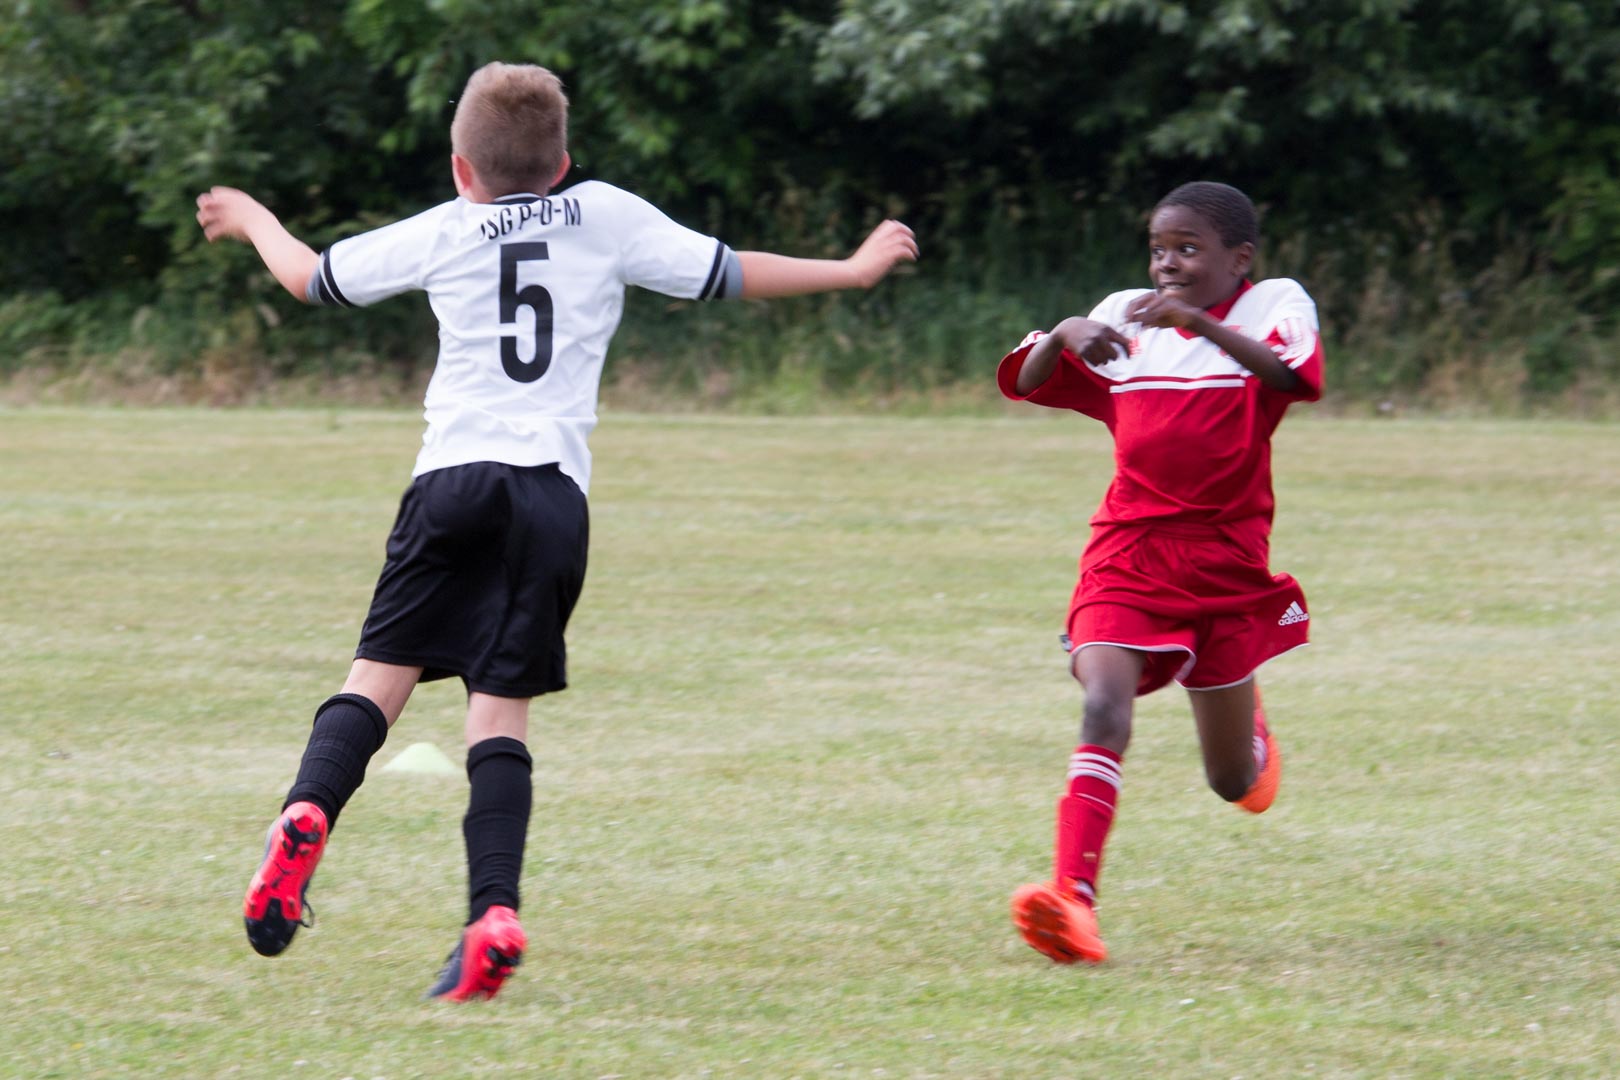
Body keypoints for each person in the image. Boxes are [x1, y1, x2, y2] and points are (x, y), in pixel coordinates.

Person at [195, 61, 918, 1002]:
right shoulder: (606, 215)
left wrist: (252, 217)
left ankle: (305, 813)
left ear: (462, 168)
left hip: (451, 480)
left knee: (378, 678)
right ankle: (492, 915)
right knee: (499, 714)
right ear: (564, 162)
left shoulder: (446, 228)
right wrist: (852, 269)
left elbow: (309, 278)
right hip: (550, 498)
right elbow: (729, 272)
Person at [996, 181, 1321, 964]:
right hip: (1128, 554)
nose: (1167, 263)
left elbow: (1294, 379)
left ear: (1238, 259)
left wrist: (1198, 324)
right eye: (1158, 249)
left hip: (1225, 564)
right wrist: (1064, 334)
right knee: (1103, 704)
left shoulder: (1272, 304)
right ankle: (1074, 901)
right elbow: (1029, 380)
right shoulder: (1125, 314)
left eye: (1188, 249)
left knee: (1231, 781)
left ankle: (1250, 731)